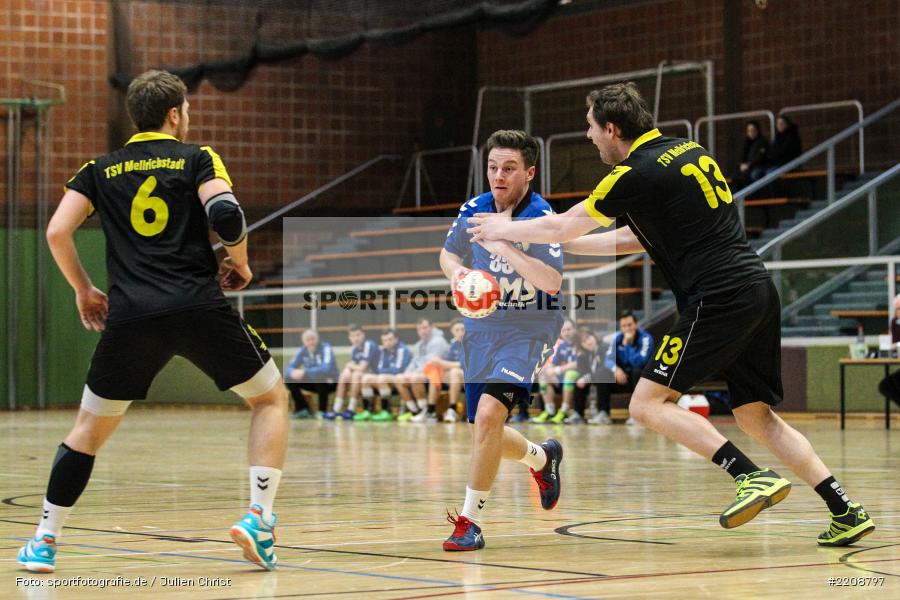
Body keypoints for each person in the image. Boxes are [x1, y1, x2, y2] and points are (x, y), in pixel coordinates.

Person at [467, 82, 874, 546]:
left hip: (717, 297)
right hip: (756, 289)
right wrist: (557, 242)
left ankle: (748, 476)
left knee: (645, 403)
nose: (589, 137)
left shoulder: (632, 173)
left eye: (591, 128)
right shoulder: (686, 150)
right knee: (755, 415)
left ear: (612, 128)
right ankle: (844, 508)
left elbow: (562, 223)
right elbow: (633, 239)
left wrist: (508, 227)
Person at [17, 70, 289, 574]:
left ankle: (43, 541)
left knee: (86, 433)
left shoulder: (98, 168)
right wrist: (243, 262)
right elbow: (227, 215)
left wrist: (84, 290)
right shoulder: (197, 157)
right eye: (186, 110)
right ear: (174, 114)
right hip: (197, 307)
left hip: (131, 316)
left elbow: (57, 231)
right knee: (270, 398)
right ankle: (259, 517)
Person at [439, 129, 564, 551]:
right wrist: (458, 274)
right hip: (482, 329)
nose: (498, 176)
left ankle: (470, 522)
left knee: (491, 416)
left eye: (509, 168)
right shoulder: (473, 209)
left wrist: (504, 241)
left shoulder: (541, 217)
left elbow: (551, 281)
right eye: (493, 167)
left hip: (529, 329)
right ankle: (542, 457)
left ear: (528, 172)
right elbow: (448, 254)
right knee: (484, 428)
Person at [597, 310, 654, 425]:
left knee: (637, 372)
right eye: (624, 326)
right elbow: (608, 359)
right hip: (622, 378)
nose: (627, 328)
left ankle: (636, 415)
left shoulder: (646, 339)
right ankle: (603, 413)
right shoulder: (617, 339)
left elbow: (640, 362)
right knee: (602, 373)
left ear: (636, 325)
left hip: (640, 380)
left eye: (630, 325)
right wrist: (616, 370)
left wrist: (628, 345)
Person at [394, 317, 449, 422]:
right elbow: (414, 362)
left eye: (425, 327)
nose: (422, 331)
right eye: (419, 329)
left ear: (432, 327)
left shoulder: (438, 341)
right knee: (399, 378)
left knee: (415, 378)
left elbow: (431, 363)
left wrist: (413, 374)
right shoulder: (419, 344)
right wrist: (406, 374)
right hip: (422, 373)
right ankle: (415, 411)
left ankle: (428, 412)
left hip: (438, 374)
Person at [325, 324, 380, 420]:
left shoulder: (369, 345)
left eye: (358, 335)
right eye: (353, 336)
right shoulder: (355, 348)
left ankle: (351, 409)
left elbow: (362, 367)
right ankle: (336, 409)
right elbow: (353, 366)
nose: (356, 338)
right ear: (349, 338)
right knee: (343, 376)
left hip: (376, 375)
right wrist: (347, 369)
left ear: (363, 335)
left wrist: (350, 366)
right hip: (364, 375)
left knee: (356, 375)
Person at [357, 329, 412, 421]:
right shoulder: (383, 351)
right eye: (385, 340)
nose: (388, 342)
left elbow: (398, 370)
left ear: (396, 339)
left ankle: (386, 411)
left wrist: (386, 371)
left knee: (382, 378)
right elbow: (379, 369)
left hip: (402, 380)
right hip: (388, 378)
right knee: (366, 378)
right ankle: (368, 410)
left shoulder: (402, 349)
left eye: (390, 339)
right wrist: (387, 371)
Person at [532, 318, 578, 423]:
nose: (566, 333)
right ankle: (549, 411)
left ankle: (564, 411)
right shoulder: (562, 345)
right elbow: (554, 363)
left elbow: (579, 364)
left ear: (575, 329)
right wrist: (549, 370)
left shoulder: (580, 342)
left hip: (578, 376)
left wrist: (558, 370)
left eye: (569, 329)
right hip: (562, 378)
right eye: (563, 330)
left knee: (570, 374)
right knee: (543, 375)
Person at [286, 329, 339, 419]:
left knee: (319, 375)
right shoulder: (303, 350)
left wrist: (305, 372)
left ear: (318, 339)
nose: (311, 342)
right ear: (304, 342)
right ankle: (303, 409)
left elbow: (326, 368)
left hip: (330, 382)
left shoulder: (326, 348)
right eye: (307, 340)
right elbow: (289, 367)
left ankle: (322, 411)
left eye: (313, 339)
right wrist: (292, 372)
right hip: (314, 383)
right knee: (289, 378)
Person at [424, 318, 466, 423]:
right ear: (452, 331)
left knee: (455, 372)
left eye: (463, 329)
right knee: (435, 373)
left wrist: (443, 363)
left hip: (470, 377)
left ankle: (453, 409)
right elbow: (446, 364)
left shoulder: (472, 344)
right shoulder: (453, 345)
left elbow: (466, 365)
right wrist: (438, 362)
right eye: (457, 330)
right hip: (454, 376)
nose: (460, 332)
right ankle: (431, 410)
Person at [571, 327, 613, 424]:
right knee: (577, 379)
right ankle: (578, 414)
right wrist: (580, 357)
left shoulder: (604, 347)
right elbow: (583, 372)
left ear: (594, 336)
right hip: (596, 381)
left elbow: (605, 368)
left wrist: (587, 378)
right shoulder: (587, 354)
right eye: (584, 342)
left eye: (589, 338)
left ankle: (604, 413)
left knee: (602, 375)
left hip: (612, 381)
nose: (588, 342)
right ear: (581, 345)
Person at [877, 294, 900, 407]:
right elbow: (895, 342)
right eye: (897, 309)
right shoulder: (895, 322)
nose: (898, 312)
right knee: (885, 386)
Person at [733, 120, 769, 189]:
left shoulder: (762, 142)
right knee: (735, 175)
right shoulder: (746, 142)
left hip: (758, 166)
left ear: (757, 130)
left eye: (753, 130)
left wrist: (749, 165)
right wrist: (741, 164)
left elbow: (760, 157)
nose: (751, 132)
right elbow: (742, 156)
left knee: (752, 175)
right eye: (749, 130)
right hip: (747, 167)